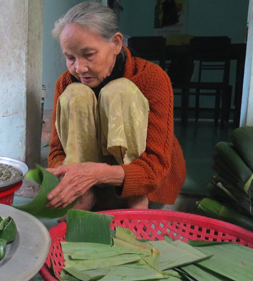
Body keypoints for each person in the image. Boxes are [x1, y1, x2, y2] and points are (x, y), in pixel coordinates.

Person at [45, 2, 186, 212]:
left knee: (119, 90)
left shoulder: (151, 78)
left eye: (89, 54)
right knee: (76, 94)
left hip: (143, 182)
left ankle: (137, 197)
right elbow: (57, 151)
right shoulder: (66, 83)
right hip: (91, 186)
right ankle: (85, 196)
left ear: (116, 43)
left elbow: (157, 164)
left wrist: (98, 172)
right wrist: (70, 178)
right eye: (70, 57)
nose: (79, 68)